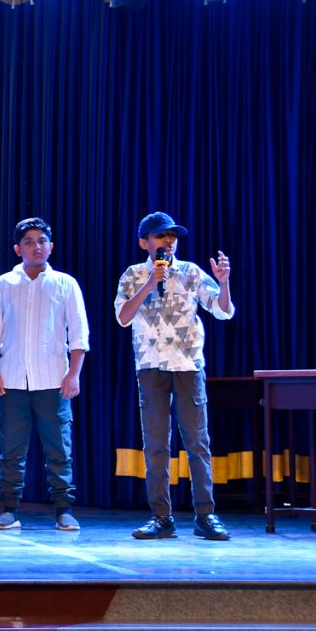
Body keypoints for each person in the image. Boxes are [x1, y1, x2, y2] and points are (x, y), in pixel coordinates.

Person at [115, 211, 233, 541]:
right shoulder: (133, 274)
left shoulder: (191, 272)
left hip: (188, 366)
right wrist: (150, 282)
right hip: (150, 367)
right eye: (161, 235)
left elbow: (222, 310)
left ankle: (205, 515)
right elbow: (123, 317)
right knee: (155, 445)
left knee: (198, 443)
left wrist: (224, 282)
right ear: (144, 243)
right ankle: (161, 517)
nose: (169, 241)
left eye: (172, 235)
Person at [0, 218, 89, 532]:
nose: (36, 247)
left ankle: (64, 510)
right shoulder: (3, 284)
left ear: (50, 246)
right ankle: (9, 509)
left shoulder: (65, 284)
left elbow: (79, 335)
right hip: (12, 381)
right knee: (12, 451)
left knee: (59, 449)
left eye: (41, 241)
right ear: (18, 249)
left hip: (53, 381)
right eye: (28, 242)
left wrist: (74, 374)